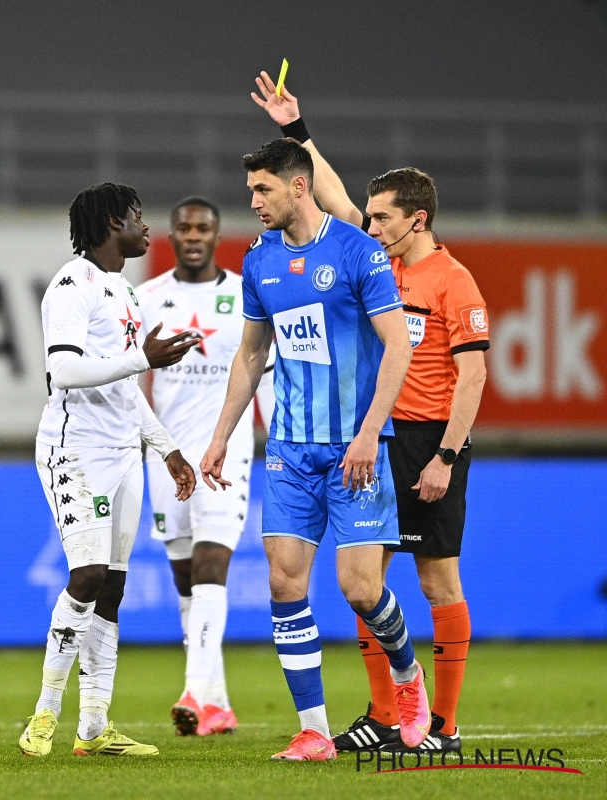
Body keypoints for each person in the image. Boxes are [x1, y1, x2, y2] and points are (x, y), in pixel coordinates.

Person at [253, 71, 488, 754]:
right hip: (374, 437)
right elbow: (324, 194)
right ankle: (387, 716)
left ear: (417, 220)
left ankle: (441, 723)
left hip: (430, 441)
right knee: (367, 581)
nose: (369, 222)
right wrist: (295, 131)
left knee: (438, 578)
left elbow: (472, 376)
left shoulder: (453, 281)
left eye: (382, 216)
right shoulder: (370, 260)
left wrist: (447, 454)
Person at [199, 138, 430, 761]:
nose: (253, 202)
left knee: (360, 589)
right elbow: (252, 355)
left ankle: (408, 677)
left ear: (297, 187)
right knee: (283, 581)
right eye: (251, 191)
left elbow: (398, 348)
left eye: (263, 190)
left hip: (356, 447)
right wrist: (222, 436)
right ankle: (314, 730)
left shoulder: (359, 251)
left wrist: (366, 434)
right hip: (290, 450)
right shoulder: (259, 260)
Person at [19, 182, 199, 758]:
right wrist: (143, 357)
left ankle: (94, 726)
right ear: (109, 224)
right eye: (137, 216)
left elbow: (124, 384)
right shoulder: (71, 286)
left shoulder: (125, 290)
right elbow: (62, 374)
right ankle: (44, 714)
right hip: (76, 451)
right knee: (88, 575)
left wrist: (165, 447)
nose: (148, 228)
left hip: (126, 453)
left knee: (114, 587)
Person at [136, 197, 275, 737]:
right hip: (166, 457)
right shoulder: (146, 299)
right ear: (171, 235)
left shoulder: (247, 293)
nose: (194, 235)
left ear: (218, 235)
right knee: (186, 581)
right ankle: (215, 701)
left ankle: (195, 689)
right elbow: (131, 380)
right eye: (184, 227)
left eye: (204, 227)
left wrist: (275, 439)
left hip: (227, 450)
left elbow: (267, 369)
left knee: (213, 561)